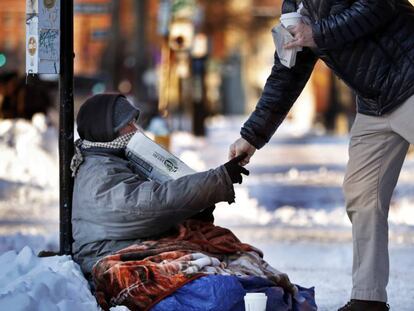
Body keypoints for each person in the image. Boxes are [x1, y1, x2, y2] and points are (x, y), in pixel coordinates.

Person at [229, 0, 414, 310]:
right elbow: (286, 73)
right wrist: (252, 135)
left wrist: (317, 33)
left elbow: (378, 6)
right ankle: (368, 298)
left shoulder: (308, 22)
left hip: (409, 83)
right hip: (375, 105)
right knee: (362, 195)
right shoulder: (294, 7)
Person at [71, 93, 249, 276]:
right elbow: (150, 204)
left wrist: (195, 211)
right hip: (105, 256)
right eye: (128, 124)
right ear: (107, 130)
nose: (135, 130)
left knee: (221, 243)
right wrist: (217, 180)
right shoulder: (99, 171)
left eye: (135, 122)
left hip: (125, 245)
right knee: (213, 275)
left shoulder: (110, 159)